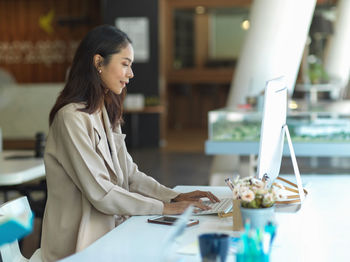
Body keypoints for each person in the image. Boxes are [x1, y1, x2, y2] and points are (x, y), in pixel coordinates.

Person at [40, 25, 220, 261]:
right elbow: (101, 193)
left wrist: (173, 197)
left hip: (110, 233)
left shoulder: (104, 109)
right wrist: (164, 208)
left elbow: (130, 175)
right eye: (125, 64)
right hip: (78, 247)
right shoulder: (70, 118)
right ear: (98, 63)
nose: (131, 73)